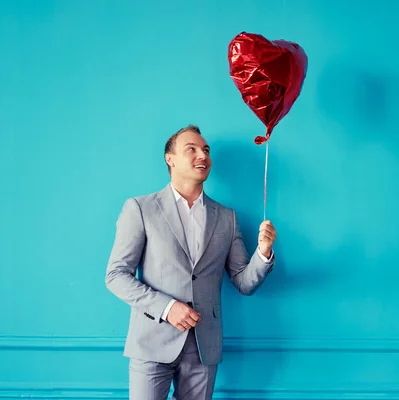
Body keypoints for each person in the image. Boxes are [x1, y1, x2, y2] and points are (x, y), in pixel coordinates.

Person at [105, 124, 277, 400]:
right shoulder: (140, 208)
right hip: (152, 341)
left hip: (203, 348)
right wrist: (167, 307)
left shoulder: (227, 218)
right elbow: (116, 275)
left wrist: (264, 252)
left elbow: (244, 283)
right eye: (192, 149)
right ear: (169, 159)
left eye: (206, 150)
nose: (203, 155)